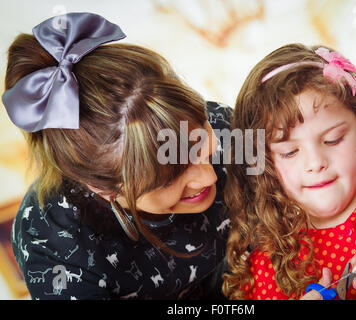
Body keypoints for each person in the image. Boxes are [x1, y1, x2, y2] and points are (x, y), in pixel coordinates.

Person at [3, 12, 233, 300]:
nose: (208, 174)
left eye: (201, 142)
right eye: (171, 176)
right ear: (103, 187)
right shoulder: (53, 247)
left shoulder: (226, 126)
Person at [222, 43, 356, 300]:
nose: (316, 163)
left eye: (333, 140)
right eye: (290, 153)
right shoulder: (266, 269)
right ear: (266, 164)